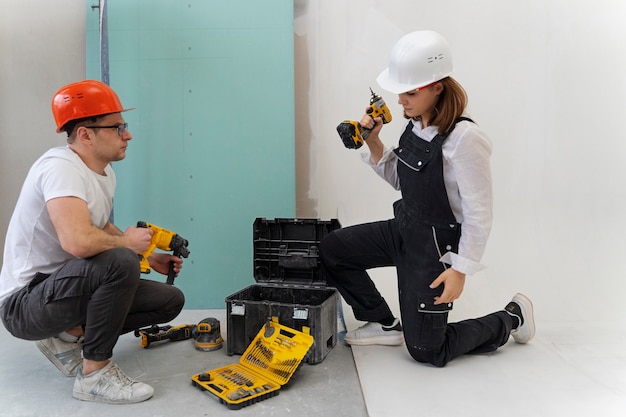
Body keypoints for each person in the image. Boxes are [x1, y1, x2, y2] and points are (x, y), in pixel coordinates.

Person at [320, 30, 535, 367]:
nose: (401, 101)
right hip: (404, 229)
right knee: (333, 249)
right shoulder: (416, 123)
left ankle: (512, 317)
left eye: (409, 93)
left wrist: (460, 269)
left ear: (438, 86)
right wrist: (373, 142)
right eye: (399, 93)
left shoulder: (465, 139)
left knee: (426, 351)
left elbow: (480, 214)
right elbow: (399, 180)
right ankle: (384, 323)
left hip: (436, 248)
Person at [0, 80, 185, 403]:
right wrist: (128, 246)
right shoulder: (60, 168)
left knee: (170, 300)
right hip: (24, 304)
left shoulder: (103, 171)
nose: (127, 135)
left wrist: (148, 255)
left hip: (62, 289)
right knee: (121, 261)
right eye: (117, 127)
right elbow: (78, 242)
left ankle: (68, 336)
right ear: (86, 134)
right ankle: (94, 375)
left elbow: (98, 226)